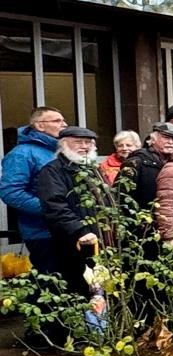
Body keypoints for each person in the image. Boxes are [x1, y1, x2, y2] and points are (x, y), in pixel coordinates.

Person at [35, 126, 104, 292]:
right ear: (64, 144)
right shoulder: (52, 171)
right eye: (78, 142)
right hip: (73, 241)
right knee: (78, 287)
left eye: (88, 142)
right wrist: (79, 230)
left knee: (98, 287)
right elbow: (55, 206)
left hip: (98, 237)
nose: (84, 146)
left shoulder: (93, 169)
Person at [1, 106, 65, 272]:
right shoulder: (22, 153)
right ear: (39, 125)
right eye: (57, 121)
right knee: (52, 283)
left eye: (63, 120)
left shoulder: (60, 151)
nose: (63, 124)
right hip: (42, 232)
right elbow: (11, 193)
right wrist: (50, 209)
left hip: (65, 227)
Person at [117, 122, 173, 217]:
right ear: (153, 140)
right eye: (166, 138)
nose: (171, 142)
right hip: (142, 224)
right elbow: (121, 196)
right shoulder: (136, 162)